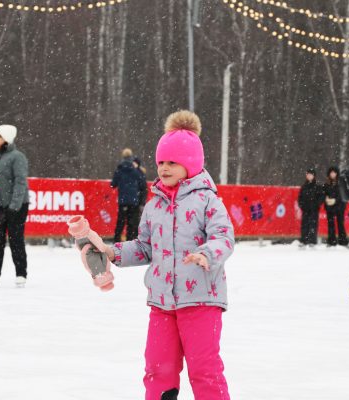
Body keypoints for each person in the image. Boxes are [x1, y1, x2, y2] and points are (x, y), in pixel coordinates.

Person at [102, 110, 234, 399]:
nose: (164, 167)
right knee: (158, 369)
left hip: (201, 299)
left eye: (172, 162)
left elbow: (224, 237)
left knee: (204, 370)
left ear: (191, 164)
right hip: (162, 303)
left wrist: (206, 254)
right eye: (161, 161)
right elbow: (145, 247)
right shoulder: (154, 205)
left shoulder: (207, 200)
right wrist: (113, 251)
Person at [0, 125, 29, 288]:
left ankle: (21, 273)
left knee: (16, 239)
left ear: (6, 138)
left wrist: (15, 205)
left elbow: (20, 181)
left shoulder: (17, 157)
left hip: (16, 206)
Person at [110, 148, 146, 242]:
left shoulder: (120, 169)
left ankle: (116, 240)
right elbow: (142, 184)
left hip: (123, 201)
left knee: (120, 222)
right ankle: (130, 241)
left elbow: (113, 184)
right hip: (134, 201)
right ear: (131, 157)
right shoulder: (136, 171)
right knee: (132, 223)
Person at [298, 167, 324, 247]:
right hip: (305, 209)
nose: (309, 176)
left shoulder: (317, 186)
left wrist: (317, 204)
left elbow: (321, 197)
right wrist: (302, 205)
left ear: (314, 176)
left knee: (313, 224)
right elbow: (300, 198)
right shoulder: (304, 187)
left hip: (314, 209)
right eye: (308, 175)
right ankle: (304, 240)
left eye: (311, 175)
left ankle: (312, 241)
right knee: (304, 224)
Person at [323, 166, 348, 247]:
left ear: (337, 173)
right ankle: (331, 241)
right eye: (331, 173)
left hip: (339, 207)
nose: (333, 174)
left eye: (334, 172)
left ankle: (343, 241)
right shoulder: (326, 184)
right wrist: (326, 199)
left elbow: (342, 195)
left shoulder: (341, 183)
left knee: (340, 224)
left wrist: (335, 200)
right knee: (330, 224)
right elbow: (323, 194)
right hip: (330, 207)